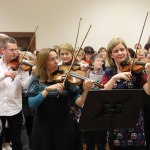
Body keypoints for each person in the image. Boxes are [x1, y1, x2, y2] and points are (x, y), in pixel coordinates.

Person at [27, 48, 93, 150]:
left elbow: (79, 102)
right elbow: (32, 104)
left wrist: (86, 91)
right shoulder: (36, 80)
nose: (56, 61)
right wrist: (46, 90)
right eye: (51, 59)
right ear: (43, 62)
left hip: (64, 125)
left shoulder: (65, 78)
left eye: (56, 58)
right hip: (43, 126)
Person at [101, 37, 150, 150]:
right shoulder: (109, 72)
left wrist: (149, 74)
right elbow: (102, 93)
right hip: (115, 120)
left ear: (127, 51)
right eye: (116, 51)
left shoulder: (136, 71)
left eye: (122, 49)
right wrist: (114, 78)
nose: (120, 53)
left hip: (134, 119)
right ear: (111, 55)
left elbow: (148, 91)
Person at [0, 37, 30, 150]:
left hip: (15, 108)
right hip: (0, 108)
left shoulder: (21, 66)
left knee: (17, 141)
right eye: (11, 50)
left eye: (16, 50)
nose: (15, 53)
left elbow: (25, 86)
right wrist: (4, 75)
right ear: (3, 50)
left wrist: (33, 76)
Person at [82, 53, 107, 150]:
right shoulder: (86, 72)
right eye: (98, 60)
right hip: (89, 103)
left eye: (102, 61)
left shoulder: (105, 73)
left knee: (102, 131)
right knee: (90, 132)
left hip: (102, 103)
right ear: (92, 62)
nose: (100, 62)